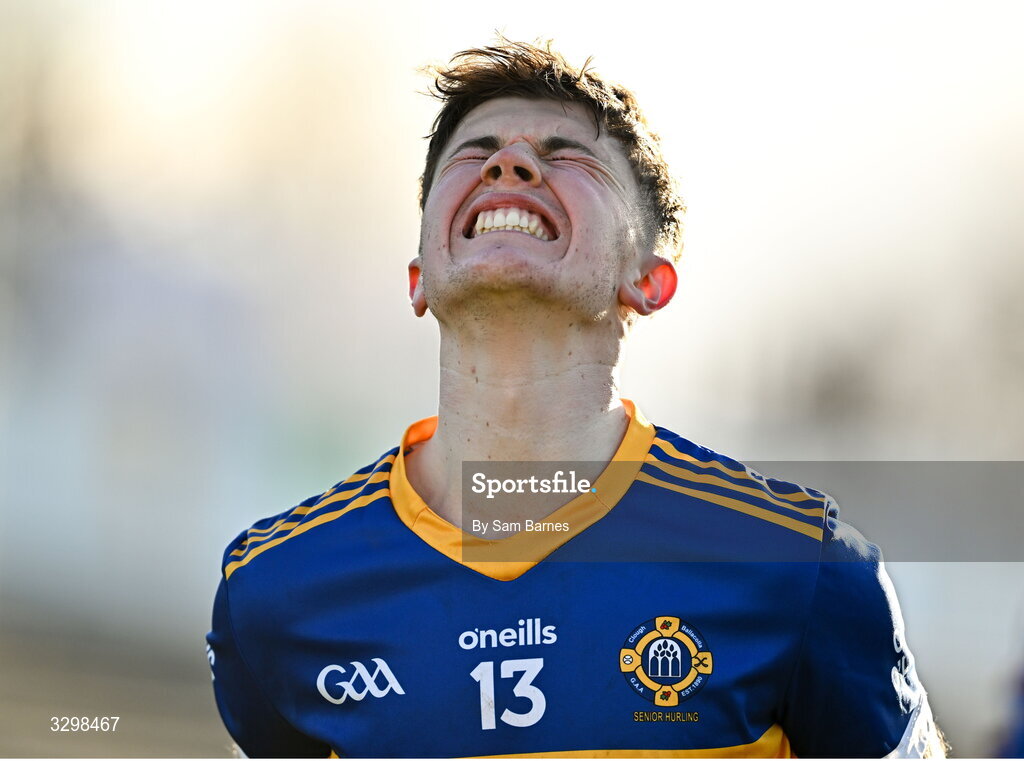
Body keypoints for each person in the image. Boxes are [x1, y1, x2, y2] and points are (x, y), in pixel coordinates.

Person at [206, 39, 945, 757]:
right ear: (419, 277)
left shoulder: (797, 564)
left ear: (646, 281)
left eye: (567, 156)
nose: (510, 162)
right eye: (477, 152)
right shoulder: (274, 588)